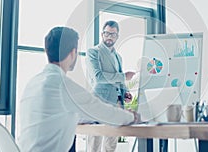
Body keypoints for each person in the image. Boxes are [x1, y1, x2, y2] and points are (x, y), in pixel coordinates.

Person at [18, 27, 139, 152]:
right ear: (73, 53)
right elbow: (101, 111)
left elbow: (81, 114)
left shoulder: (32, 83)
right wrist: (131, 117)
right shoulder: (63, 86)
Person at [86, 20, 135, 152]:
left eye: (113, 35)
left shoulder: (118, 56)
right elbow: (98, 77)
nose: (110, 37)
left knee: (111, 143)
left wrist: (125, 92)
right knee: (94, 142)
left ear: (117, 37)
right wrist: (124, 76)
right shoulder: (93, 52)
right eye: (107, 33)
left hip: (117, 103)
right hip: (100, 101)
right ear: (102, 34)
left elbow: (119, 79)